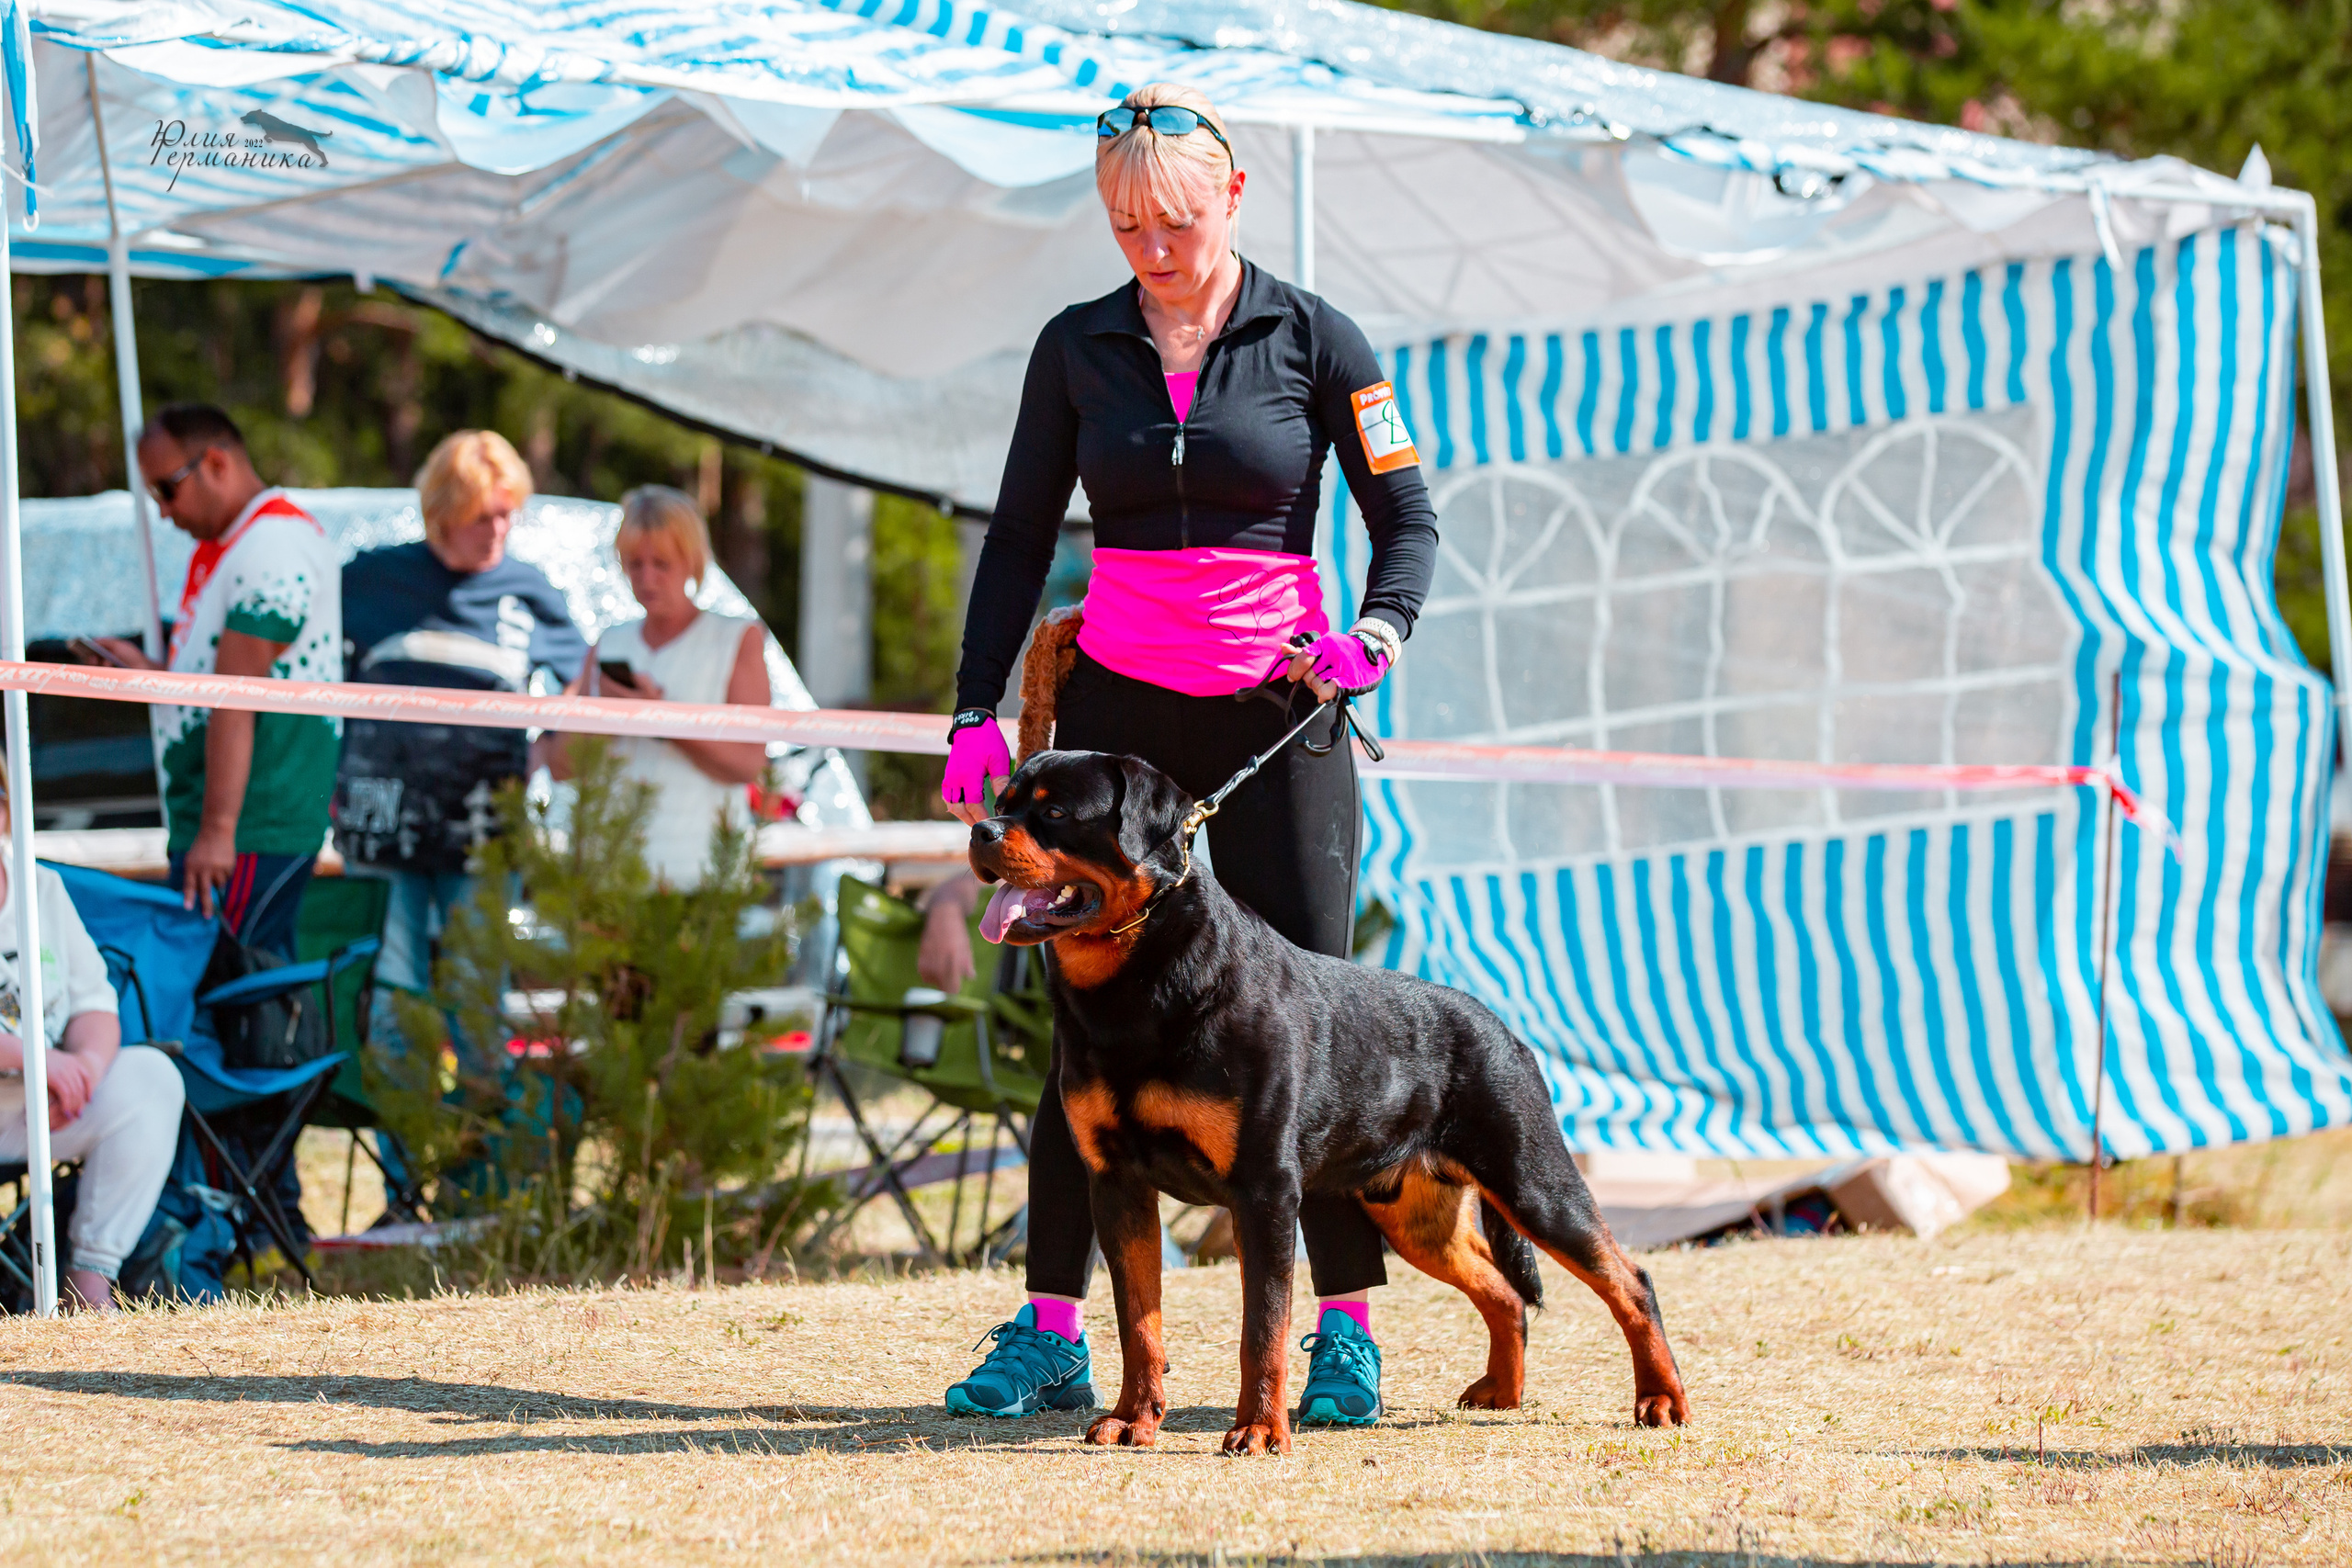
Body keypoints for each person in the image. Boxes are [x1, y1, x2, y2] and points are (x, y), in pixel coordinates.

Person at [938, 84, 1439, 1428]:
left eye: (1171, 218)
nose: (1149, 245)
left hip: (1276, 715)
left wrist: (1377, 633)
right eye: (1122, 223)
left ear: (1232, 197)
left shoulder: (1316, 336)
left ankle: (1343, 1335)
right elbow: (1017, 530)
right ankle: (1052, 1327)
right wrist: (976, 704)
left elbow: (1408, 516)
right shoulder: (1077, 345)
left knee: (1309, 1022)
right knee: (1085, 1021)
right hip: (1116, 714)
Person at [336, 431, 586, 1035]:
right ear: (446, 512)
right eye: (484, 516)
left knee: (478, 995)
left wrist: (545, 747)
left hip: (483, 826)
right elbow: (317, 672)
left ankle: (481, 1126)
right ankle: (405, 1130)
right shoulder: (369, 578)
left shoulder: (527, 588)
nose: (499, 528)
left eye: (509, 514)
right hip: (381, 822)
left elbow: (582, 679)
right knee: (393, 997)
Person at [96, 404, 341, 958]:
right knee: (240, 997)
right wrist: (154, 676)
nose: (162, 511)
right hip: (236, 825)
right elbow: (220, 686)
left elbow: (237, 693)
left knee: (236, 1001)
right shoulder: (234, 545)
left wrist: (217, 831)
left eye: (167, 488)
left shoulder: (273, 544)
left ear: (215, 463)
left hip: (254, 824)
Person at [0, 784, 185, 1313]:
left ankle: (91, 1280)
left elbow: (95, 1004)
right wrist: (36, 1061)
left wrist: (83, 1069)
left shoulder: (41, 888)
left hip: (43, 1108)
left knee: (152, 1076)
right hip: (28, 1083)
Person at [534, 487, 775, 887]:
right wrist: (605, 715)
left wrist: (661, 721)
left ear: (691, 561)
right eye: (634, 564)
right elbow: (561, 767)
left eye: (661, 564)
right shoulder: (609, 643)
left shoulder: (736, 639)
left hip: (701, 875)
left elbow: (749, 765)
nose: (647, 579)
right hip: (612, 873)